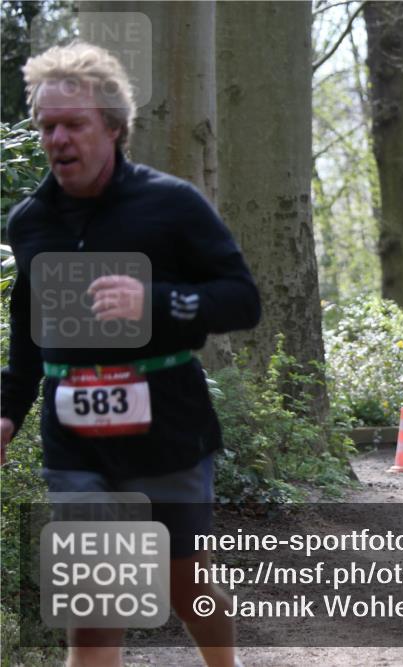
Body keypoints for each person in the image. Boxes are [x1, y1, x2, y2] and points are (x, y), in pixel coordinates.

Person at [0, 42, 259, 667]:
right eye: (48, 126)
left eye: (74, 124)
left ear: (113, 127)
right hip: (75, 441)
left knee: (185, 586)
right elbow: (29, 331)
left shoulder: (171, 205)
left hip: (166, 427)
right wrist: (9, 410)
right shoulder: (30, 222)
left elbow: (241, 301)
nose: (58, 139)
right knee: (93, 607)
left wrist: (156, 300)